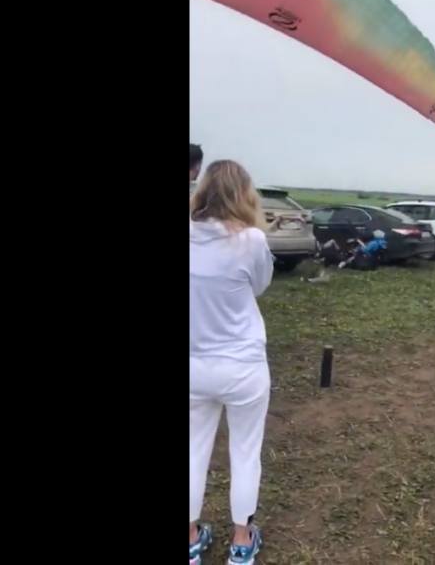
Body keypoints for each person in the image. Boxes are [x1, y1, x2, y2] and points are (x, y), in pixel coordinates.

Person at [189, 159, 276, 565]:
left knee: (192, 451)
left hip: (194, 364)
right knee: (245, 452)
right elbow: (260, 285)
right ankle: (241, 541)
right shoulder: (252, 240)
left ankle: (191, 537)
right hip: (243, 367)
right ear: (244, 195)